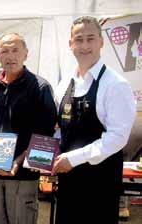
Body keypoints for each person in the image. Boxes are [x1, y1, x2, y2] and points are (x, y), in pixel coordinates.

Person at [52, 16, 136, 224]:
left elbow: (117, 137)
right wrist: (44, 153)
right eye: (79, 40)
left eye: (91, 39)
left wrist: (73, 158)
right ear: (70, 44)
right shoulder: (64, 85)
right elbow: (60, 129)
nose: (85, 46)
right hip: (68, 183)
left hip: (100, 184)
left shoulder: (116, 85)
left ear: (101, 42)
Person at [0, 33, 57, 224]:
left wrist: (18, 162)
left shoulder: (40, 87)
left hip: (23, 177)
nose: (10, 56)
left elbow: (47, 138)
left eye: (15, 50)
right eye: (5, 51)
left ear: (26, 54)